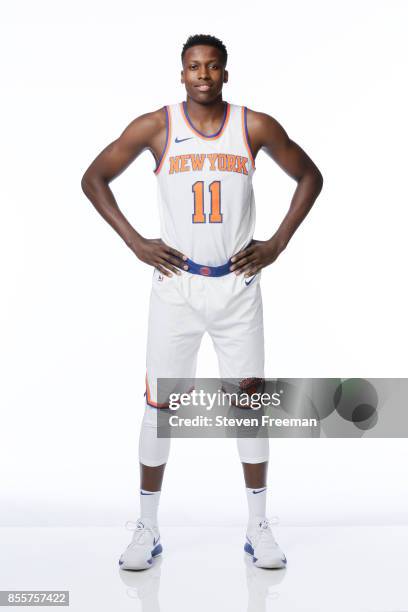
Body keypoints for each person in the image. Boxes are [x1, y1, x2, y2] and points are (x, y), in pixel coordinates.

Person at [81, 33, 323, 570]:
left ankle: (258, 526)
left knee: (249, 408)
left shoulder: (253, 125)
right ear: (182, 73)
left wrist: (278, 242)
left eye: (213, 67)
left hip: (237, 287)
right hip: (177, 288)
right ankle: (147, 527)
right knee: (159, 408)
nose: (204, 75)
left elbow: (311, 175)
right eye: (194, 67)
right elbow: (93, 177)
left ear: (226, 74)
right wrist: (136, 242)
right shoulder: (157, 127)